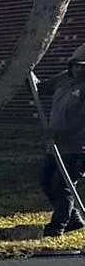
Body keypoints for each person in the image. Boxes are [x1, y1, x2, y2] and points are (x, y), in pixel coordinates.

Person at [41, 45, 85, 237]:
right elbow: (43, 88)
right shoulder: (64, 78)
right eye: (76, 65)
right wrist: (29, 77)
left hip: (78, 148)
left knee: (62, 185)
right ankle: (73, 217)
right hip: (56, 146)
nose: (78, 69)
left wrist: (63, 132)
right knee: (45, 179)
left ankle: (57, 227)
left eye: (83, 66)